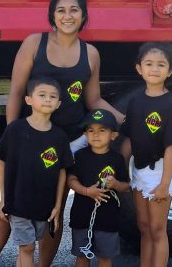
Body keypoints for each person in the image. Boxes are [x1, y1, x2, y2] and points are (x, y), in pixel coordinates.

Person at [0, 0, 124, 267]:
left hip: (66, 143)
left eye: (74, 10)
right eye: (61, 10)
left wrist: (124, 119)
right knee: (7, 207)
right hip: (30, 138)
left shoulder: (90, 53)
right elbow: (17, 93)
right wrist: (15, 135)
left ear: (83, 16)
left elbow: (93, 99)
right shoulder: (34, 44)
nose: (67, 16)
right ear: (52, 16)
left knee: (53, 211)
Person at [0, 77, 73, 266]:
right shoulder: (15, 130)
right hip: (18, 203)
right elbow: (3, 164)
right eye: (42, 95)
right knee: (27, 248)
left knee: (28, 246)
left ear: (59, 103)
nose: (47, 99)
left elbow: (62, 172)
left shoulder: (60, 137)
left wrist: (57, 205)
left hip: (43, 206)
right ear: (28, 100)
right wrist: (3, 198)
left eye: (53, 96)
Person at [120, 42, 172, 267]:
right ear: (139, 68)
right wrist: (120, 170)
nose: (154, 69)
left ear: (170, 71)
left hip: (160, 172)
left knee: (158, 230)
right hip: (139, 171)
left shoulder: (170, 104)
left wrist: (165, 183)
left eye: (161, 65)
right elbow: (129, 139)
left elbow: (171, 147)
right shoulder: (136, 102)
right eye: (149, 64)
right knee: (144, 227)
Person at [67, 109, 129, 267]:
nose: (96, 134)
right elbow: (71, 179)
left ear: (113, 135)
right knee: (82, 256)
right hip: (82, 217)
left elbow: (126, 187)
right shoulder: (80, 156)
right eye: (91, 130)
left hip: (108, 219)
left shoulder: (117, 159)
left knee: (105, 258)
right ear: (85, 135)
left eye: (102, 130)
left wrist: (115, 184)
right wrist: (87, 191)